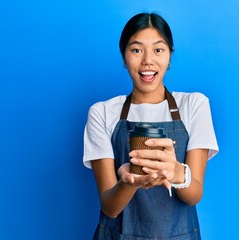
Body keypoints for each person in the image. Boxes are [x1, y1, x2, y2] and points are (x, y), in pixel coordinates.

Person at [83, 12, 219, 239]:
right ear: (124, 57)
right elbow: (110, 206)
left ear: (169, 56)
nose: (148, 60)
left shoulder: (194, 105)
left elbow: (194, 195)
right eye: (136, 50)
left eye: (158, 50)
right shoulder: (102, 112)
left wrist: (176, 172)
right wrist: (130, 183)